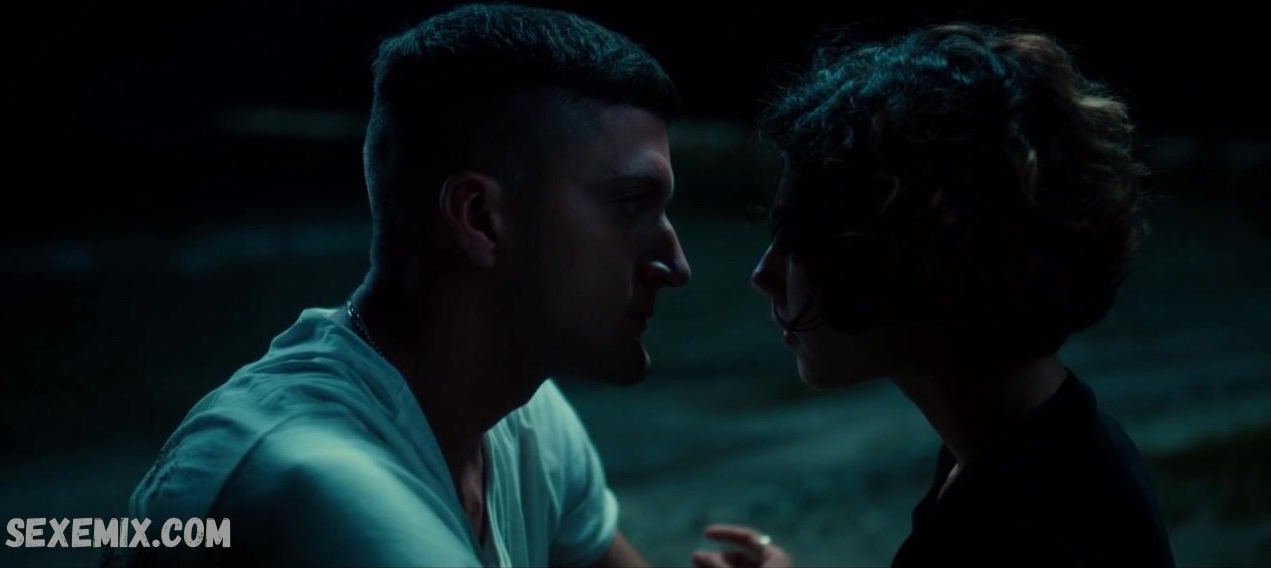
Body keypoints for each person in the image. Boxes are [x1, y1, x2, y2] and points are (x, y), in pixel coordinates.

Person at [108, 4, 690, 566]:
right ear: (480, 219)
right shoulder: (321, 488)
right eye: (630, 203)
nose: (675, 263)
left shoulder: (526, 419)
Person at [694, 23, 1174, 568]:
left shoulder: (1013, 530)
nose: (763, 274)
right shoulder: (1045, 448)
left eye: (801, 239)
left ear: (907, 256)